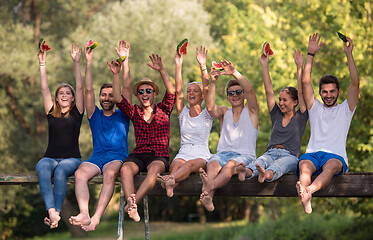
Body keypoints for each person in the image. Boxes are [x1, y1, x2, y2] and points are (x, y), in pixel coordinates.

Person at [69, 40, 131, 231]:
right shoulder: (93, 114)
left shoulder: (123, 115)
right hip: (97, 157)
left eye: (110, 95)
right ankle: (84, 214)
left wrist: (124, 64)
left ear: (116, 97)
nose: (106, 98)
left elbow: (126, 90)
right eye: (103, 95)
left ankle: (96, 218)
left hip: (117, 157)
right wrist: (87, 61)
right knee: (79, 174)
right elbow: (87, 90)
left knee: (111, 174)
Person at [296, 33, 359, 214]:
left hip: (335, 156)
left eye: (332, 91)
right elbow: (305, 81)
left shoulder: (346, 109)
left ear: (339, 91)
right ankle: (305, 197)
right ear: (320, 93)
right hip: (313, 154)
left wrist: (349, 53)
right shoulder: (315, 108)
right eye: (324, 92)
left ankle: (308, 191)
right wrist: (310, 54)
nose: (328, 95)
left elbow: (355, 83)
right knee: (304, 167)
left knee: (330, 167)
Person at [113, 53, 176, 221]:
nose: (144, 94)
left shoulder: (164, 109)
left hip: (158, 155)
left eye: (148, 91)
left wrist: (162, 69)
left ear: (154, 94)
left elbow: (172, 91)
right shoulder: (134, 111)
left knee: (154, 170)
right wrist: (115, 73)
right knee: (125, 169)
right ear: (138, 96)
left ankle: (133, 204)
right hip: (139, 155)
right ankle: (131, 203)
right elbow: (118, 98)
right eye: (141, 92)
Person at [236, 50, 308, 183]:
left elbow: (302, 91)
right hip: (271, 152)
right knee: (260, 162)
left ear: (295, 102)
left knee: (279, 166)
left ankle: (266, 175)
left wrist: (299, 68)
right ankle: (246, 171)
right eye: (280, 99)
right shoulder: (276, 114)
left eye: (285, 100)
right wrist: (264, 64)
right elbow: (269, 91)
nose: (280, 103)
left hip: (290, 156)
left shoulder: (301, 117)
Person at [199, 60, 259, 212]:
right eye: (231, 93)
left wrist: (234, 72)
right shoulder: (224, 112)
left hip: (244, 156)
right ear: (227, 97)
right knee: (212, 165)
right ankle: (208, 199)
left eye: (239, 92)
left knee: (230, 166)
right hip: (223, 154)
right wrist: (213, 83)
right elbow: (211, 108)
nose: (235, 95)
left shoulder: (251, 111)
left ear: (243, 94)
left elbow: (251, 90)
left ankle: (208, 188)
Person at [36, 44, 84, 228]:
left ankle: (56, 211)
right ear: (56, 98)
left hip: (72, 159)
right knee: (41, 167)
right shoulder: (51, 112)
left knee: (61, 171)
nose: (64, 95)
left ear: (72, 98)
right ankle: (52, 212)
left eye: (68, 93)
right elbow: (44, 89)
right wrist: (42, 64)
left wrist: (77, 63)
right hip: (50, 157)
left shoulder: (77, 112)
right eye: (61, 93)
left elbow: (80, 87)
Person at [157, 46, 213, 197]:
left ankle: (170, 180)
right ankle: (171, 185)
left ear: (202, 96)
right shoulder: (183, 113)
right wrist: (178, 63)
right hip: (184, 151)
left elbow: (207, 87)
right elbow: (178, 90)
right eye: (190, 91)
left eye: (195, 91)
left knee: (188, 165)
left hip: (201, 155)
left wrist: (203, 65)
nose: (191, 93)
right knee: (175, 164)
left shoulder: (208, 113)